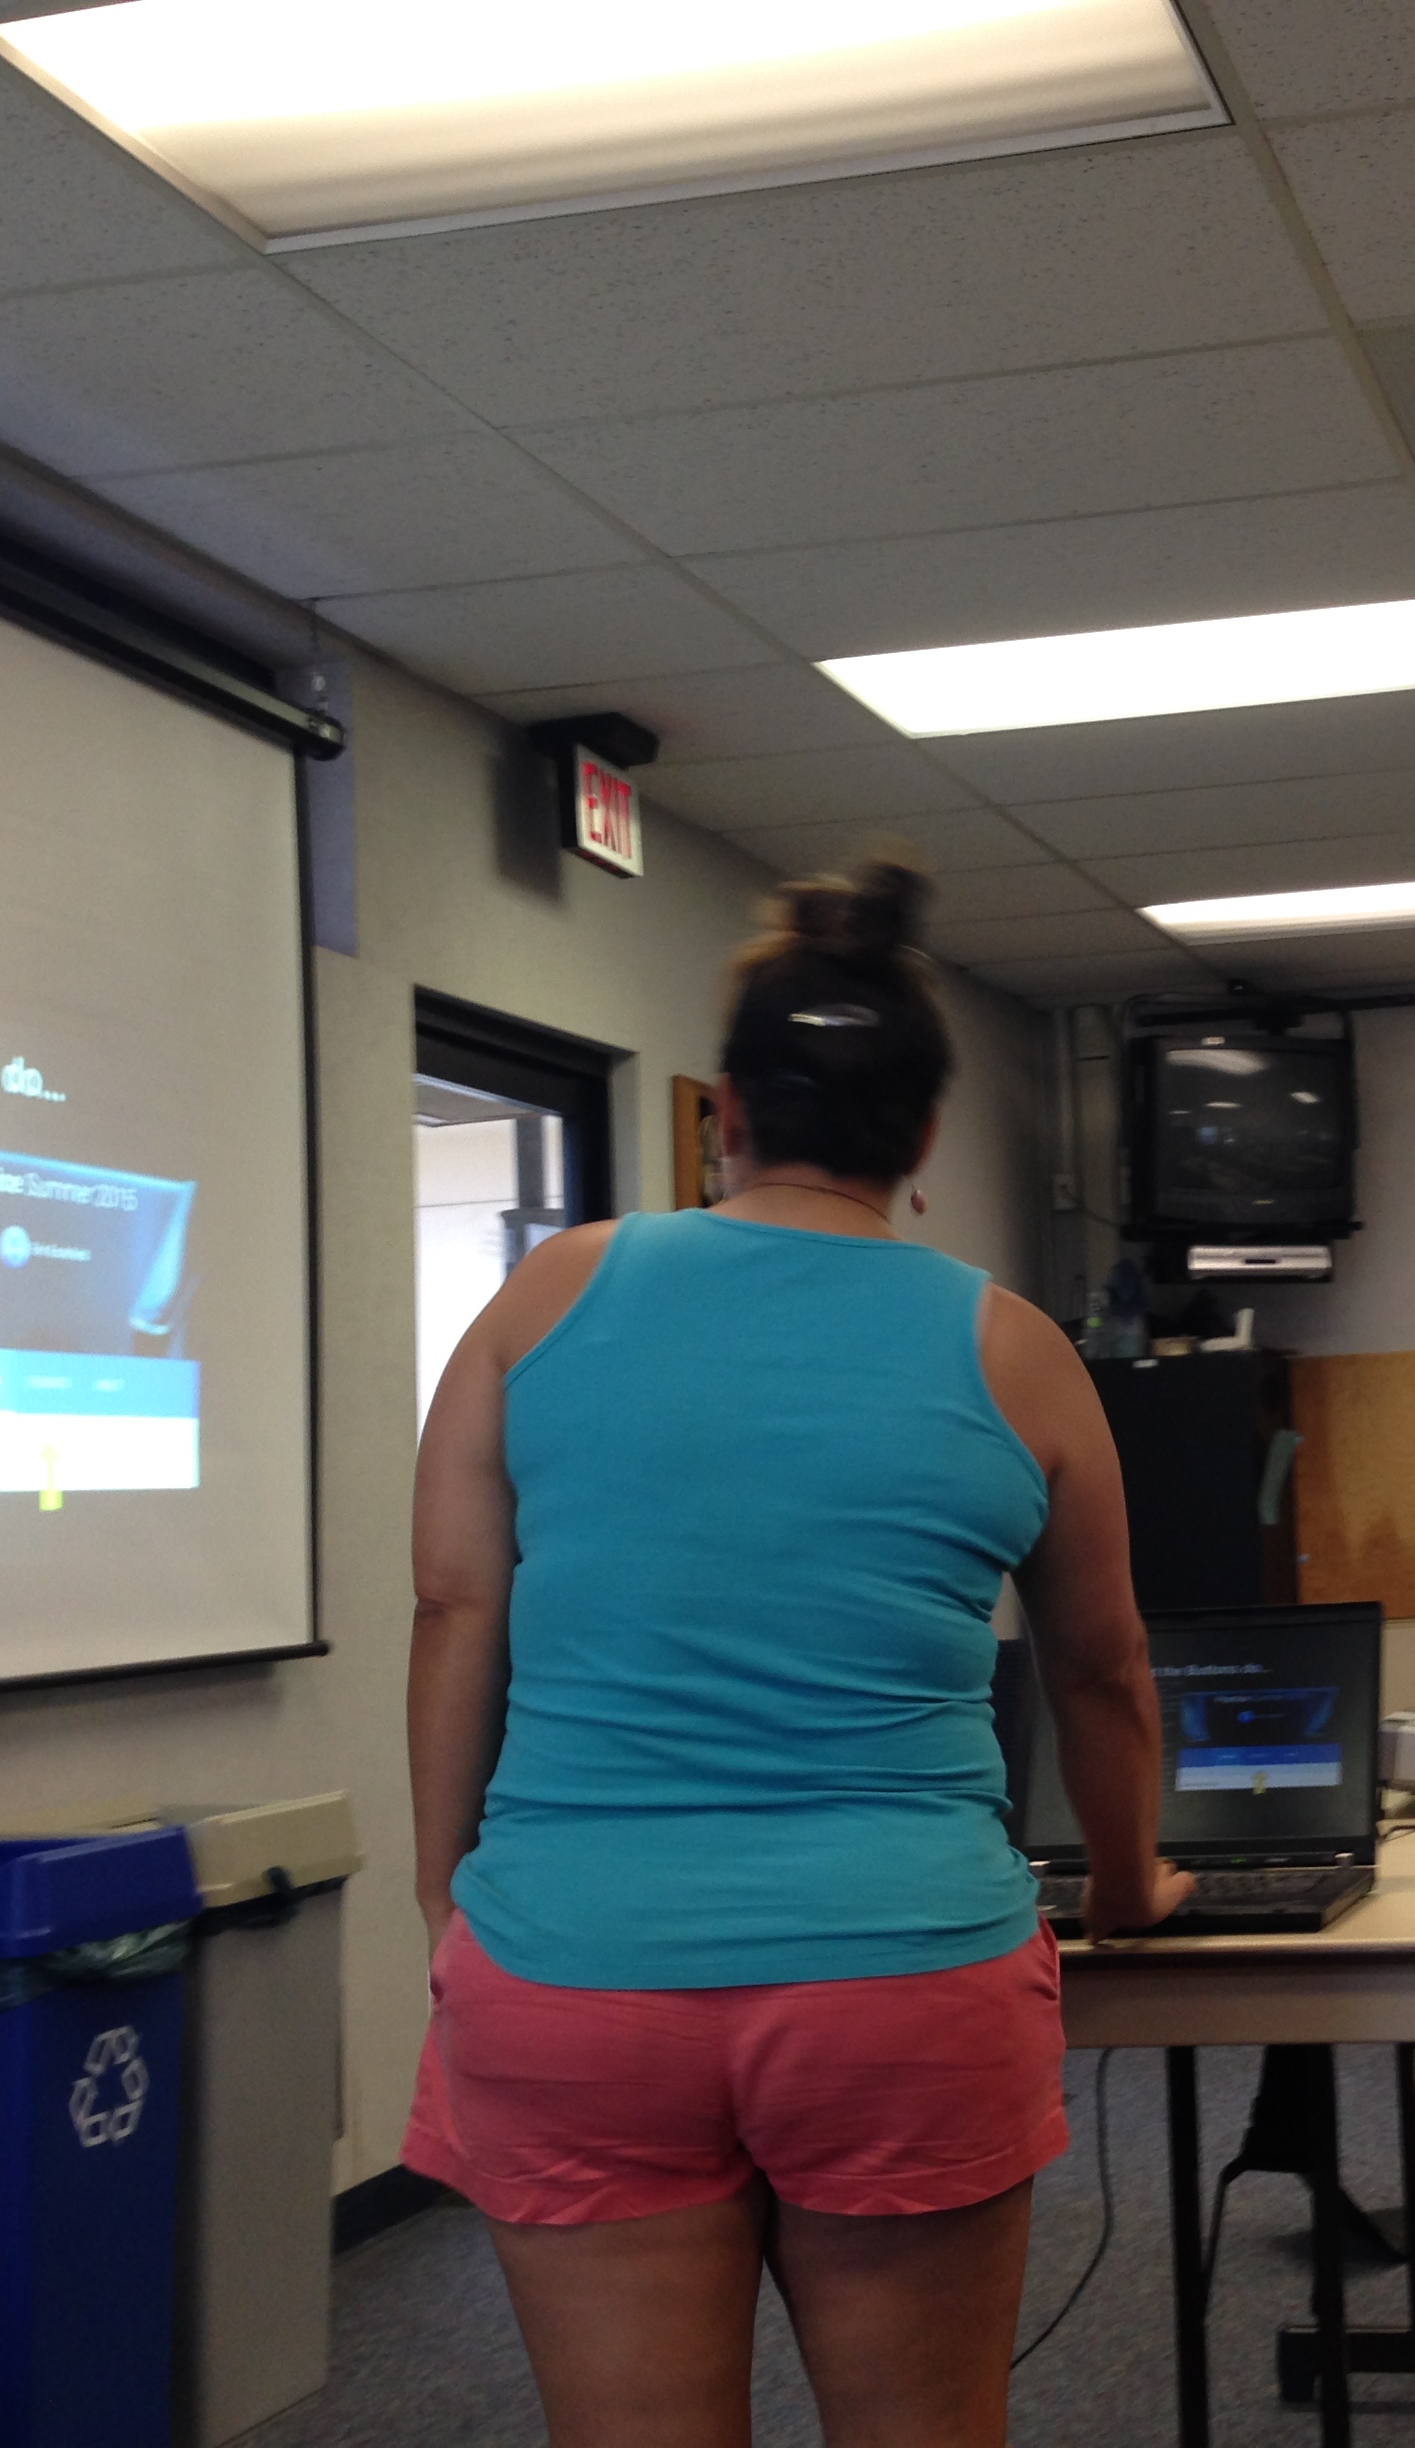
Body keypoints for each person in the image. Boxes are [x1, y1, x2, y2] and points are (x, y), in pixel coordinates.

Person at [402, 860, 1190, 2448]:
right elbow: (1099, 1671)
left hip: (573, 1964)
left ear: (728, 1113)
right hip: (903, 1973)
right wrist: (1124, 1885)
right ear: (923, 1137)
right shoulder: (1014, 1348)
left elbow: (455, 1609)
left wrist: (445, 1897)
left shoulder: (548, 1293)